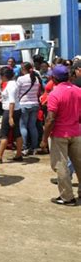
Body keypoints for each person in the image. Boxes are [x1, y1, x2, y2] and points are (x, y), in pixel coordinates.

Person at [40, 65, 81, 206]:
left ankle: (67, 197)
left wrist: (44, 138)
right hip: (76, 132)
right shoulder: (78, 91)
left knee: (61, 166)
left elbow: (50, 118)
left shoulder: (55, 94)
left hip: (60, 134)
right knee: (79, 164)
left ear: (54, 78)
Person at [0, 67, 23, 163]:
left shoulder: (11, 85)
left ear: (4, 76)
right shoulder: (12, 84)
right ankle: (19, 154)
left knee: (4, 134)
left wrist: (10, 117)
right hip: (15, 109)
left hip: (10, 110)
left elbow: (11, 101)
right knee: (17, 132)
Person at [17, 62, 43, 156]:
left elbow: (17, 92)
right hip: (35, 104)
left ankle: (25, 147)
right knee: (32, 126)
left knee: (23, 126)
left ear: (23, 69)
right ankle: (34, 147)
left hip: (24, 104)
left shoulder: (20, 79)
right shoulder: (36, 78)